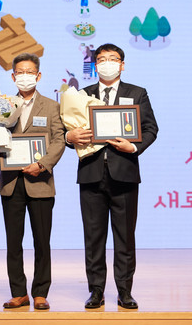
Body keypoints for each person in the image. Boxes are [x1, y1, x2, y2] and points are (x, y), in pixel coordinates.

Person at [65, 44, 158, 310]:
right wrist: (70, 137)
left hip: (124, 174)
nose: (107, 63)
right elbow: (67, 130)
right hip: (91, 173)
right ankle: (96, 291)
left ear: (122, 64)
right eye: (102, 59)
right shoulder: (82, 94)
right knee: (93, 238)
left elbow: (151, 128)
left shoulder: (137, 93)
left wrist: (134, 147)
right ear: (95, 66)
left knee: (125, 237)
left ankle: (125, 291)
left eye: (112, 59)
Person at [0, 53, 65, 311]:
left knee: (42, 241)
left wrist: (43, 164)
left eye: (29, 72)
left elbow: (59, 139)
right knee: (13, 242)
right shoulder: (1, 105)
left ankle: (40, 293)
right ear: (13, 76)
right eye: (20, 72)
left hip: (41, 182)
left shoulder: (51, 106)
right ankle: (18, 293)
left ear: (38, 76)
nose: (24, 76)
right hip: (11, 182)